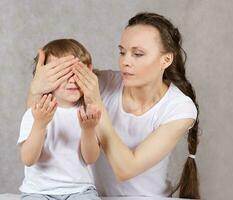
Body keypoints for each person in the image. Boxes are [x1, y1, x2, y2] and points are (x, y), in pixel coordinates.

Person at [27, 13, 201, 199]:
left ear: (166, 60)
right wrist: (36, 89)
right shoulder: (102, 82)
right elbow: (35, 116)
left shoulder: (180, 108)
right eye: (122, 52)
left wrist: (95, 102)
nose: (125, 61)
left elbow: (125, 169)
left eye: (138, 54)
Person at [19, 39, 102, 200]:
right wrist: (39, 124)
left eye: (77, 72)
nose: (71, 80)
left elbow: (91, 158)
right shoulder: (36, 112)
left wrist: (88, 129)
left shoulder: (88, 112)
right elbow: (28, 159)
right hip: (38, 192)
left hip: (80, 191)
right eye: (63, 73)